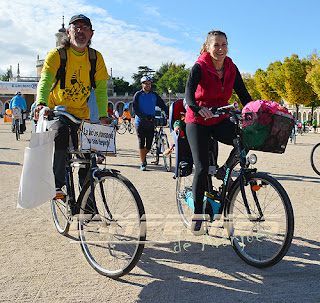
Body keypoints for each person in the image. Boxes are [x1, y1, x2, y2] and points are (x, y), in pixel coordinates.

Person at [34, 14, 110, 197]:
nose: (80, 31)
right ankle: (57, 186)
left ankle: (88, 205)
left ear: (91, 34)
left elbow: (100, 89)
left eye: (85, 28)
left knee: (87, 157)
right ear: (68, 32)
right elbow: (45, 81)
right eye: (76, 27)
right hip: (58, 110)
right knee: (60, 133)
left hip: (81, 114)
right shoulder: (57, 55)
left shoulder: (96, 58)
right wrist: (41, 103)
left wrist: (102, 115)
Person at [185, 30, 252, 234]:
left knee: (246, 140)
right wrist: (197, 108)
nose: (220, 49)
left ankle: (224, 170)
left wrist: (255, 110)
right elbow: (189, 94)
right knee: (202, 167)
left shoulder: (231, 67)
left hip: (220, 118)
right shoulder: (200, 66)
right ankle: (197, 215)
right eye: (216, 45)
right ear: (207, 47)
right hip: (198, 120)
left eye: (224, 44)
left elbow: (243, 93)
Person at [133, 76, 169, 171]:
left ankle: (143, 155)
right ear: (142, 84)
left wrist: (168, 113)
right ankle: (143, 162)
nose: (148, 85)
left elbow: (162, 105)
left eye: (149, 84)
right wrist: (144, 117)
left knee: (149, 145)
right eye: (146, 83)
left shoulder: (154, 95)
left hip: (150, 123)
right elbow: (135, 110)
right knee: (141, 142)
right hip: (140, 122)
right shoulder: (138, 95)